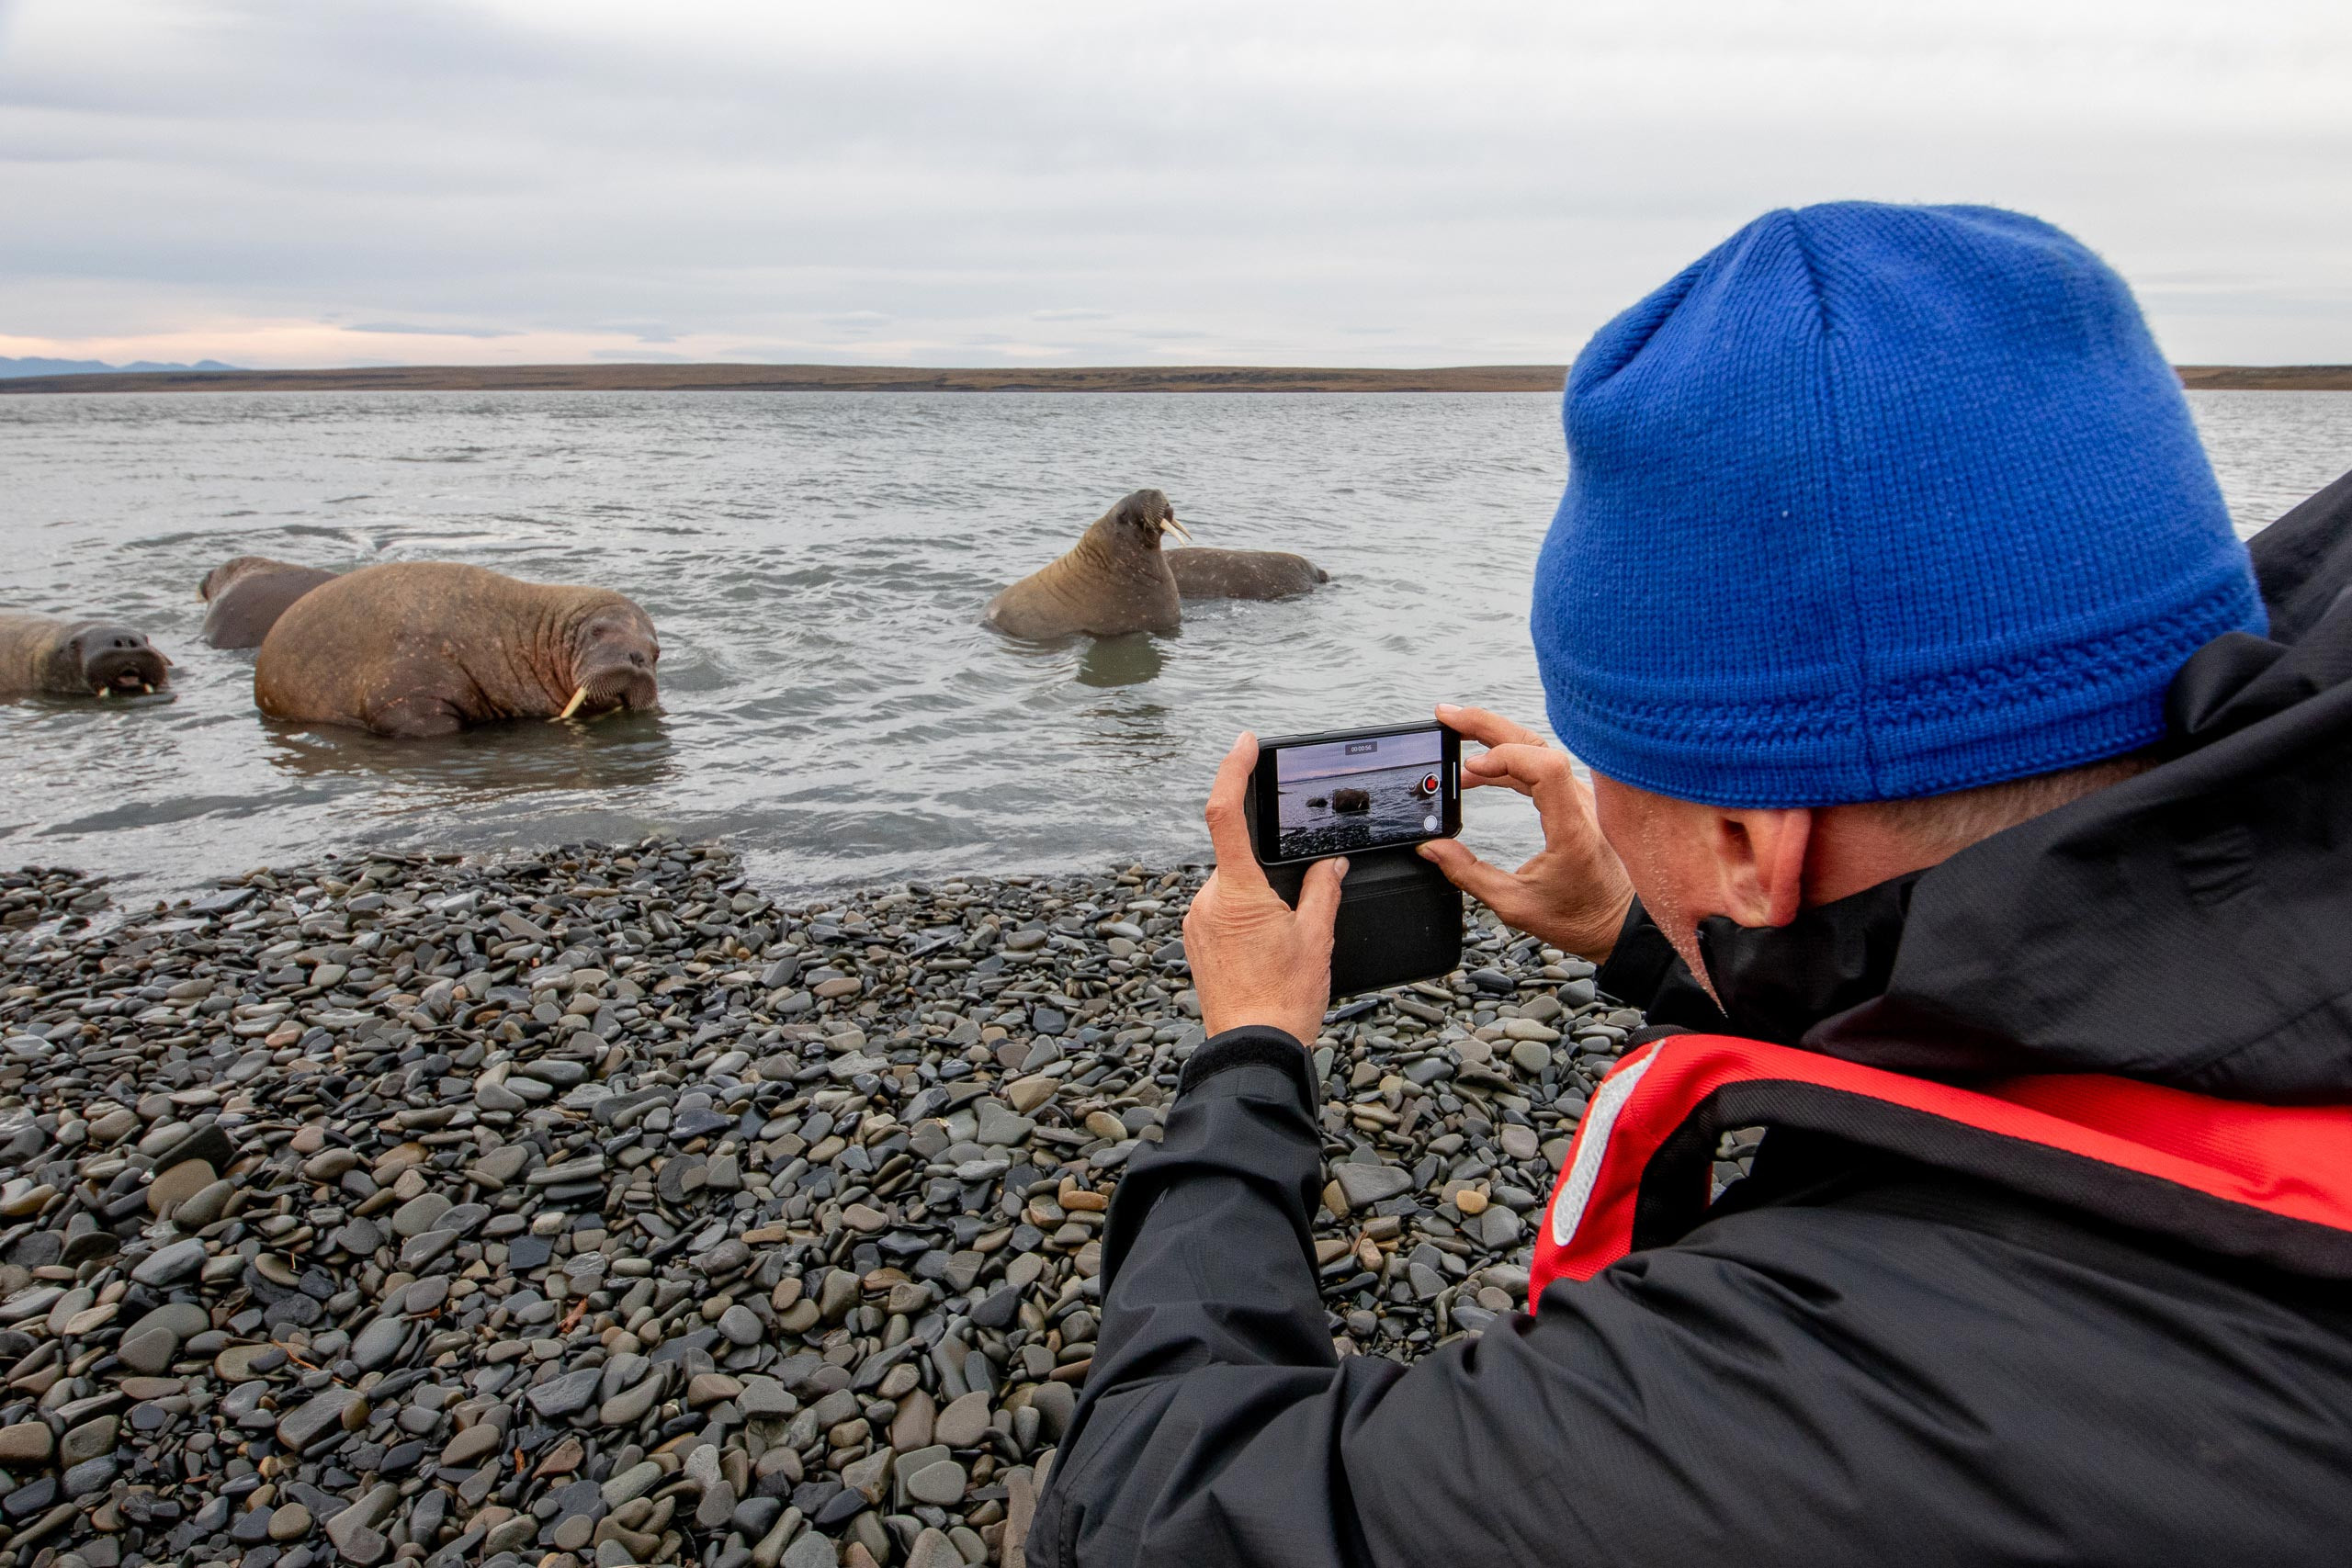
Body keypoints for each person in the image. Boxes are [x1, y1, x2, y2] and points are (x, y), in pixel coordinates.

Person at [1023, 203, 2352, 1566]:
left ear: (1742, 846)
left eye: (1614, 762)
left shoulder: (1829, 1410)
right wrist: (1654, 943)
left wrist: (1250, 1055)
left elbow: (1151, 1510)